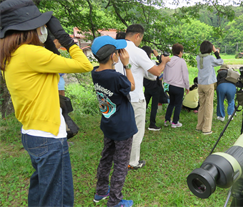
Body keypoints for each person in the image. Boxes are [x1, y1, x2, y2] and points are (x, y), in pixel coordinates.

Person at [0, 1, 93, 206]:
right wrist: (65, 38)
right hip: (49, 138)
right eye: (41, 25)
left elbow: (56, 66)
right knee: (57, 197)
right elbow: (84, 65)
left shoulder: (10, 55)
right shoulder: (31, 54)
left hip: (31, 133)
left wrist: (49, 44)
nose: (44, 29)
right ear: (28, 29)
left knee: (41, 189)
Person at [116, 24, 170, 170]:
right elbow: (157, 72)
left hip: (117, 98)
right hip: (134, 98)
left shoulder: (114, 48)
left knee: (121, 129)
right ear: (137, 36)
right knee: (136, 131)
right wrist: (164, 62)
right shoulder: (137, 51)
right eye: (141, 38)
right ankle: (132, 161)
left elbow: (148, 74)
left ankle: (119, 157)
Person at [90, 36, 136, 207]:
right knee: (121, 164)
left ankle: (101, 191)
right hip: (123, 127)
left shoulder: (96, 72)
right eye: (117, 52)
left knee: (106, 157)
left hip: (108, 123)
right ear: (112, 56)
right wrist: (127, 65)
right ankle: (115, 202)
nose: (119, 54)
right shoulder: (116, 77)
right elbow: (132, 85)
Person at [196, 41, 223, 135]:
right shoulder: (210, 58)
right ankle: (206, 129)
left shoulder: (198, 57)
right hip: (208, 84)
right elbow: (220, 62)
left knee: (202, 105)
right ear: (210, 49)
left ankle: (199, 126)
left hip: (200, 84)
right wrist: (216, 52)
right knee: (209, 106)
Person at [163, 43, 190, 128]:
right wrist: (187, 86)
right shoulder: (182, 61)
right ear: (180, 52)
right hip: (179, 86)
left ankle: (167, 120)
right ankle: (175, 122)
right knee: (178, 104)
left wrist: (165, 84)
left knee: (171, 103)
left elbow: (165, 73)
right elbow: (185, 75)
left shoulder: (168, 61)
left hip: (170, 86)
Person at [141, 46, 162, 131]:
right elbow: (162, 63)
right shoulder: (152, 62)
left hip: (146, 84)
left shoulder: (141, 63)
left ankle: (141, 120)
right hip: (155, 85)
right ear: (150, 54)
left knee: (144, 104)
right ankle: (152, 124)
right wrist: (157, 55)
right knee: (154, 106)